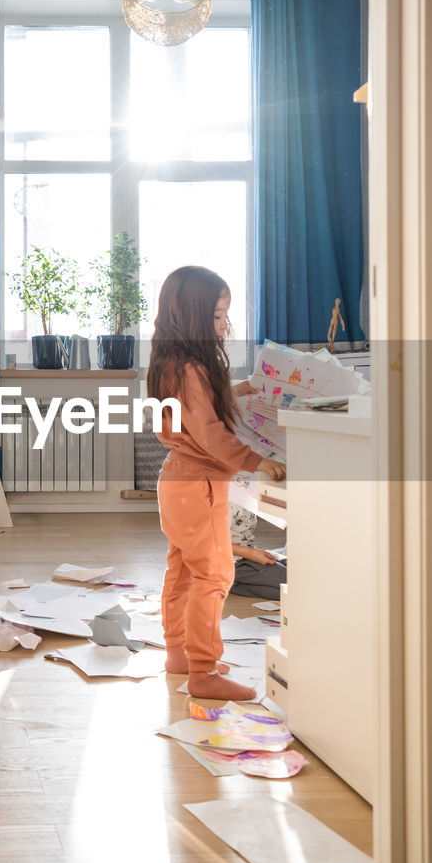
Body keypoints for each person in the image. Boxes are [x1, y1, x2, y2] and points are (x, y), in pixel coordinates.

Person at [147, 266, 286, 700]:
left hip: (176, 480)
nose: (225, 325)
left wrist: (243, 388)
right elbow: (210, 433)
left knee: (184, 572)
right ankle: (203, 674)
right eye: (218, 316)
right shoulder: (191, 369)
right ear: (192, 316)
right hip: (200, 485)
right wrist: (257, 461)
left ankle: (179, 654)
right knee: (216, 575)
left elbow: (197, 410)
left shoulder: (171, 364)